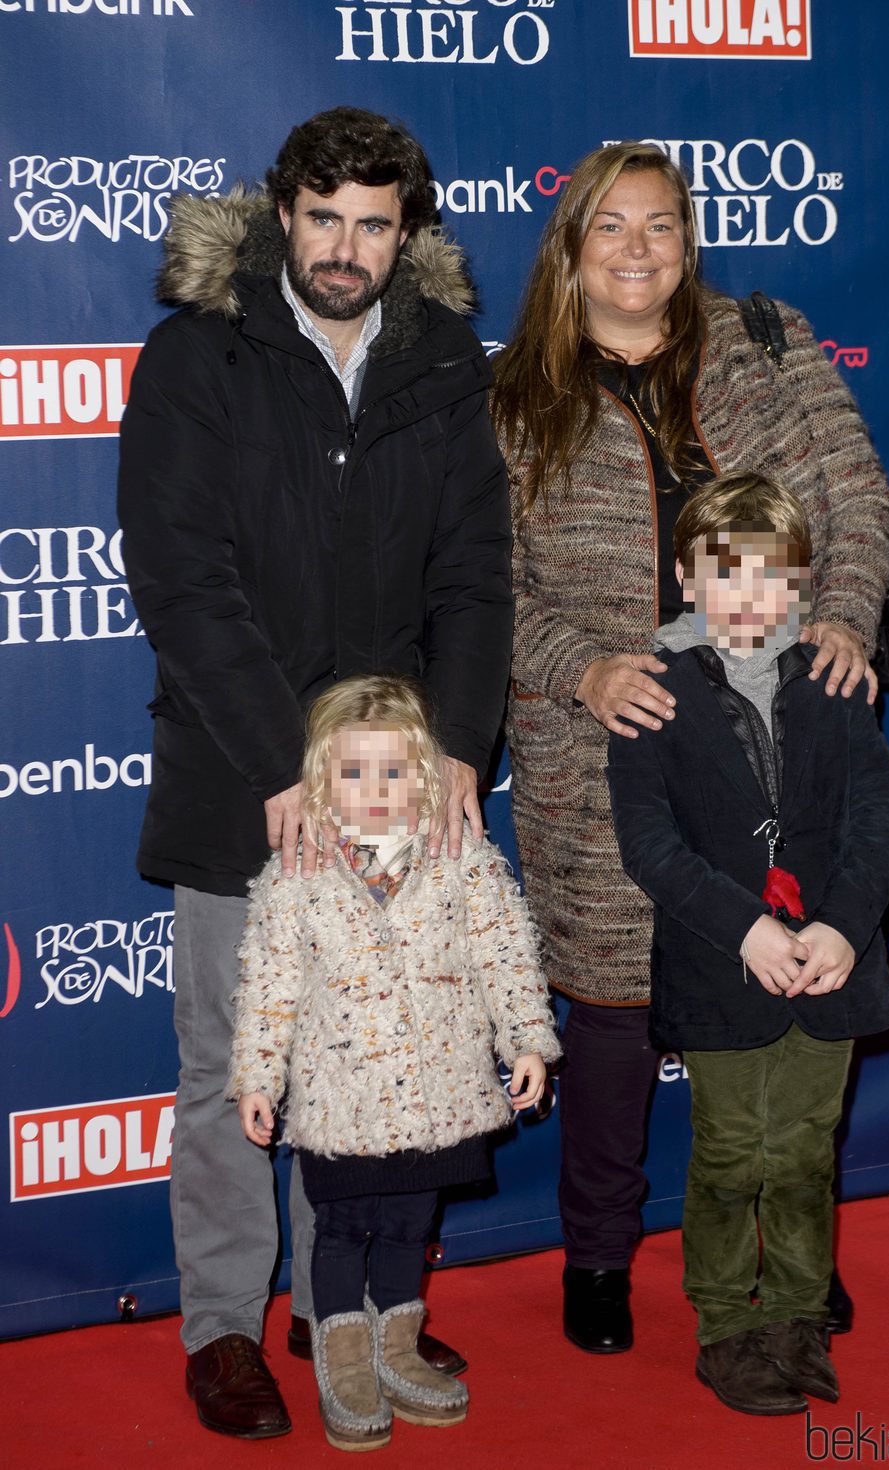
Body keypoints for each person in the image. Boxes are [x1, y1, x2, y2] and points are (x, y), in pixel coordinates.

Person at [117, 107, 513, 1438]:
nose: (346, 250)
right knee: (241, 1067)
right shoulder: (194, 358)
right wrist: (291, 764)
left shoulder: (444, 358)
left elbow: (472, 573)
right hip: (245, 779)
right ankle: (227, 1325)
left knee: (373, 1063)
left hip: (403, 795)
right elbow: (182, 580)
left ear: (410, 231)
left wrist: (456, 746)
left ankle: (337, 1309)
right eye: (324, 218)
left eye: (375, 225)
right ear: (283, 210)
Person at [492, 142, 889, 1354]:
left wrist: (842, 613)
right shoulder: (511, 395)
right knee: (615, 1022)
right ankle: (599, 1258)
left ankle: (795, 1258)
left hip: (788, 732)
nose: (633, 250)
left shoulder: (768, 346)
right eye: (605, 227)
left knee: (798, 999)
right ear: (569, 247)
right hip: (606, 743)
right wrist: (584, 668)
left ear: (688, 239)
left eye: (656, 226)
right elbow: (478, 586)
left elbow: (856, 497)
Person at [607, 471, 889, 1414]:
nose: (750, 596)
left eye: (773, 576)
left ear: (802, 585)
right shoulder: (651, 690)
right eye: (726, 574)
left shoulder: (833, 675)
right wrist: (746, 929)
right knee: (734, 1152)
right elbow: (648, 844)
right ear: (688, 580)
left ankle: (796, 1314)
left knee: (806, 1151)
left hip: (831, 961)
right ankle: (727, 1326)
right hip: (719, 962)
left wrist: (842, 929)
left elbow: (879, 818)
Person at [229, 674, 560, 1452]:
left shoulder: (464, 859)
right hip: (341, 1102)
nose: (374, 790)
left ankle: (399, 1348)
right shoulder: (296, 876)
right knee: (341, 1229)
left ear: (426, 773)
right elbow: (267, 987)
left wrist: (527, 1040)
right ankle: (344, 1364)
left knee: (413, 1224)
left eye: (392, 771)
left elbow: (506, 956)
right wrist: (256, 1078)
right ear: (321, 779)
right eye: (353, 772)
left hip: (439, 1094)